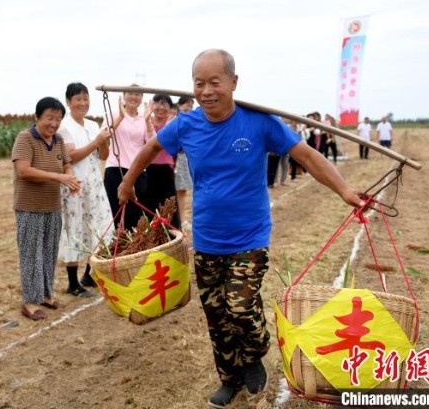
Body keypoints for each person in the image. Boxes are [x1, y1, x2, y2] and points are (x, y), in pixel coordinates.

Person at [117, 49, 363, 408]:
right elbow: (151, 148)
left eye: (215, 82)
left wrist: (344, 190)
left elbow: (307, 156)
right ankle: (229, 378)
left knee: (240, 307)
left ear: (234, 82)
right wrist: (127, 182)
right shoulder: (186, 125)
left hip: (250, 237)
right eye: (199, 83)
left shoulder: (260, 122)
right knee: (216, 315)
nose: (206, 91)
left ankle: (254, 354)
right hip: (207, 239)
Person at [12, 97, 81, 321]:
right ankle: (29, 302)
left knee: (49, 252)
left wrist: (70, 178)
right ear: (37, 117)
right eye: (49, 118)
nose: (54, 123)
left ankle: (45, 295)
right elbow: (24, 171)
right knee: (31, 254)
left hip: (52, 206)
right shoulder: (25, 138)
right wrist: (58, 177)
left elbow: (67, 165)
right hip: (29, 206)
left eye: (58, 119)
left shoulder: (58, 140)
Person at [58, 83, 113, 295]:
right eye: (78, 99)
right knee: (74, 229)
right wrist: (96, 141)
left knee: (97, 227)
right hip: (75, 185)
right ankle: (72, 283)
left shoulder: (92, 124)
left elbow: (103, 156)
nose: (83, 103)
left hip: (94, 184)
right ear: (68, 102)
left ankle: (89, 274)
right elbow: (71, 156)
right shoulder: (64, 127)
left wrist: (103, 141)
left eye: (86, 98)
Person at [103, 86, 154, 230]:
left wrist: (148, 121)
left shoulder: (144, 118)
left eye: (138, 94)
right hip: (115, 169)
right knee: (115, 214)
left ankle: (134, 243)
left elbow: (152, 143)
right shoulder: (114, 114)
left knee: (136, 216)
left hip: (137, 171)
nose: (134, 97)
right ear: (123, 96)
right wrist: (120, 117)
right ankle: (116, 243)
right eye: (130, 93)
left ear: (142, 98)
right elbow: (105, 135)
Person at [138, 94, 180, 229]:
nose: (161, 107)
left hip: (166, 171)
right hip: (148, 170)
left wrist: (168, 128)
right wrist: (147, 122)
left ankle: (171, 235)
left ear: (170, 108)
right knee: (148, 207)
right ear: (152, 105)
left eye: (165, 104)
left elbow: (175, 147)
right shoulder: (145, 121)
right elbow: (147, 143)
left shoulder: (173, 123)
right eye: (158, 103)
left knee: (168, 208)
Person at [174, 96, 195, 230]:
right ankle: (180, 220)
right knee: (177, 191)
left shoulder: (190, 121)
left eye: (191, 106)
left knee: (183, 190)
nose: (189, 108)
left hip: (185, 158)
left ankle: (182, 219)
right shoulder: (176, 120)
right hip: (177, 159)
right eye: (187, 105)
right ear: (180, 105)